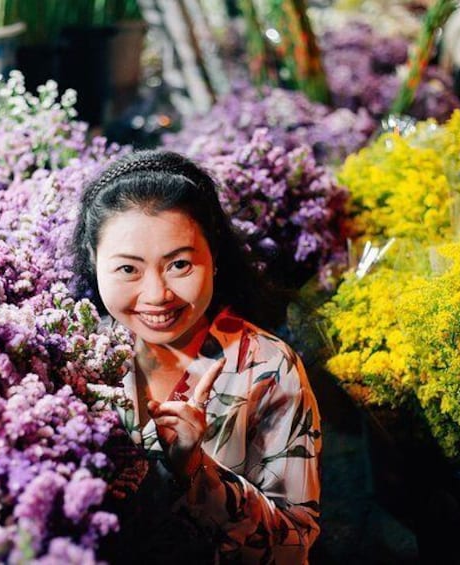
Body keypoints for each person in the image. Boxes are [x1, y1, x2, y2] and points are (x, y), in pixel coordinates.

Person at [71, 150, 322, 563]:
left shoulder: (268, 368)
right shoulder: (75, 357)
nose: (156, 295)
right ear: (94, 262)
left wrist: (196, 470)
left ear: (215, 256)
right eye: (128, 270)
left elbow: (294, 545)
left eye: (179, 264)